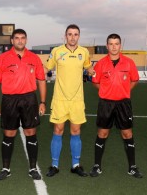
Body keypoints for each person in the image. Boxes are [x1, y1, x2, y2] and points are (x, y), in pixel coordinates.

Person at [0, 29, 46, 180]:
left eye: (23, 38)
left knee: (31, 133)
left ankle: (33, 168)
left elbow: (41, 80)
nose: (20, 41)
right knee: (9, 134)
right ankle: (5, 168)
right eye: (17, 38)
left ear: (26, 40)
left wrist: (42, 102)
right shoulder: (2, 58)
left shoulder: (34, 58)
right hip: (9, 100)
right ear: (12, 41)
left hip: (29, 99)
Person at [90, 33, 143, 178]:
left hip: (123, 104)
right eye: (111, 44)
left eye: (116, 44)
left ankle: (132, 167)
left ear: (120, 45)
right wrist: (106, 91)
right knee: (102, 133)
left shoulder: (129, 62)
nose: (114, 47)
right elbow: (95, 82)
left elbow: (135, 80)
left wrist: (124, 90)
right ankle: (97, 166)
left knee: (127, 134)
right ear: (107, 46)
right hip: (105, 103)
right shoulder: (101, 63)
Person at [45, 24, 94, 178]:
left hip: (77, 100)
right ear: (65, 36)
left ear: (79, 36)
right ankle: (54, 165)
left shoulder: (84, 52)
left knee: (75, 131)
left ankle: (75, 165)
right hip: (60, 99)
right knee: (58, 130)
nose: (73, 37)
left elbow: (88, 68)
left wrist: (92, 70)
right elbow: (47, 68)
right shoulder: (57, 51)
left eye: (75, 34)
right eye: (70, 34)